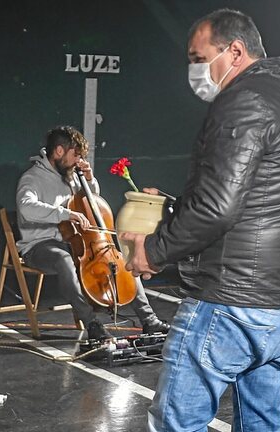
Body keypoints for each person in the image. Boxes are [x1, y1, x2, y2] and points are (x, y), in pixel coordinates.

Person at [121, 9, 280, 432]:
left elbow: (218, 207)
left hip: (231, 304)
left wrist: (153, 251)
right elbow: (258, 199)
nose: (194, 71)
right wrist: (173, 206)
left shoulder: (244, 100)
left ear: (235, 50)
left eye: (199, 58)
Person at [15, 125, 170, 342]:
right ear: (59, 151)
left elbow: (90, 203)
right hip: (40, 245)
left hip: (75, 243)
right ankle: (92, 323)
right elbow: (26, 207)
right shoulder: (32, 178)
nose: (78, 161)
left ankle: (149, 320)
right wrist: (65, 214)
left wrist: (88, 180)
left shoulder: (70, 175)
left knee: (120, 260)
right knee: (63, 260)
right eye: (76, 155)